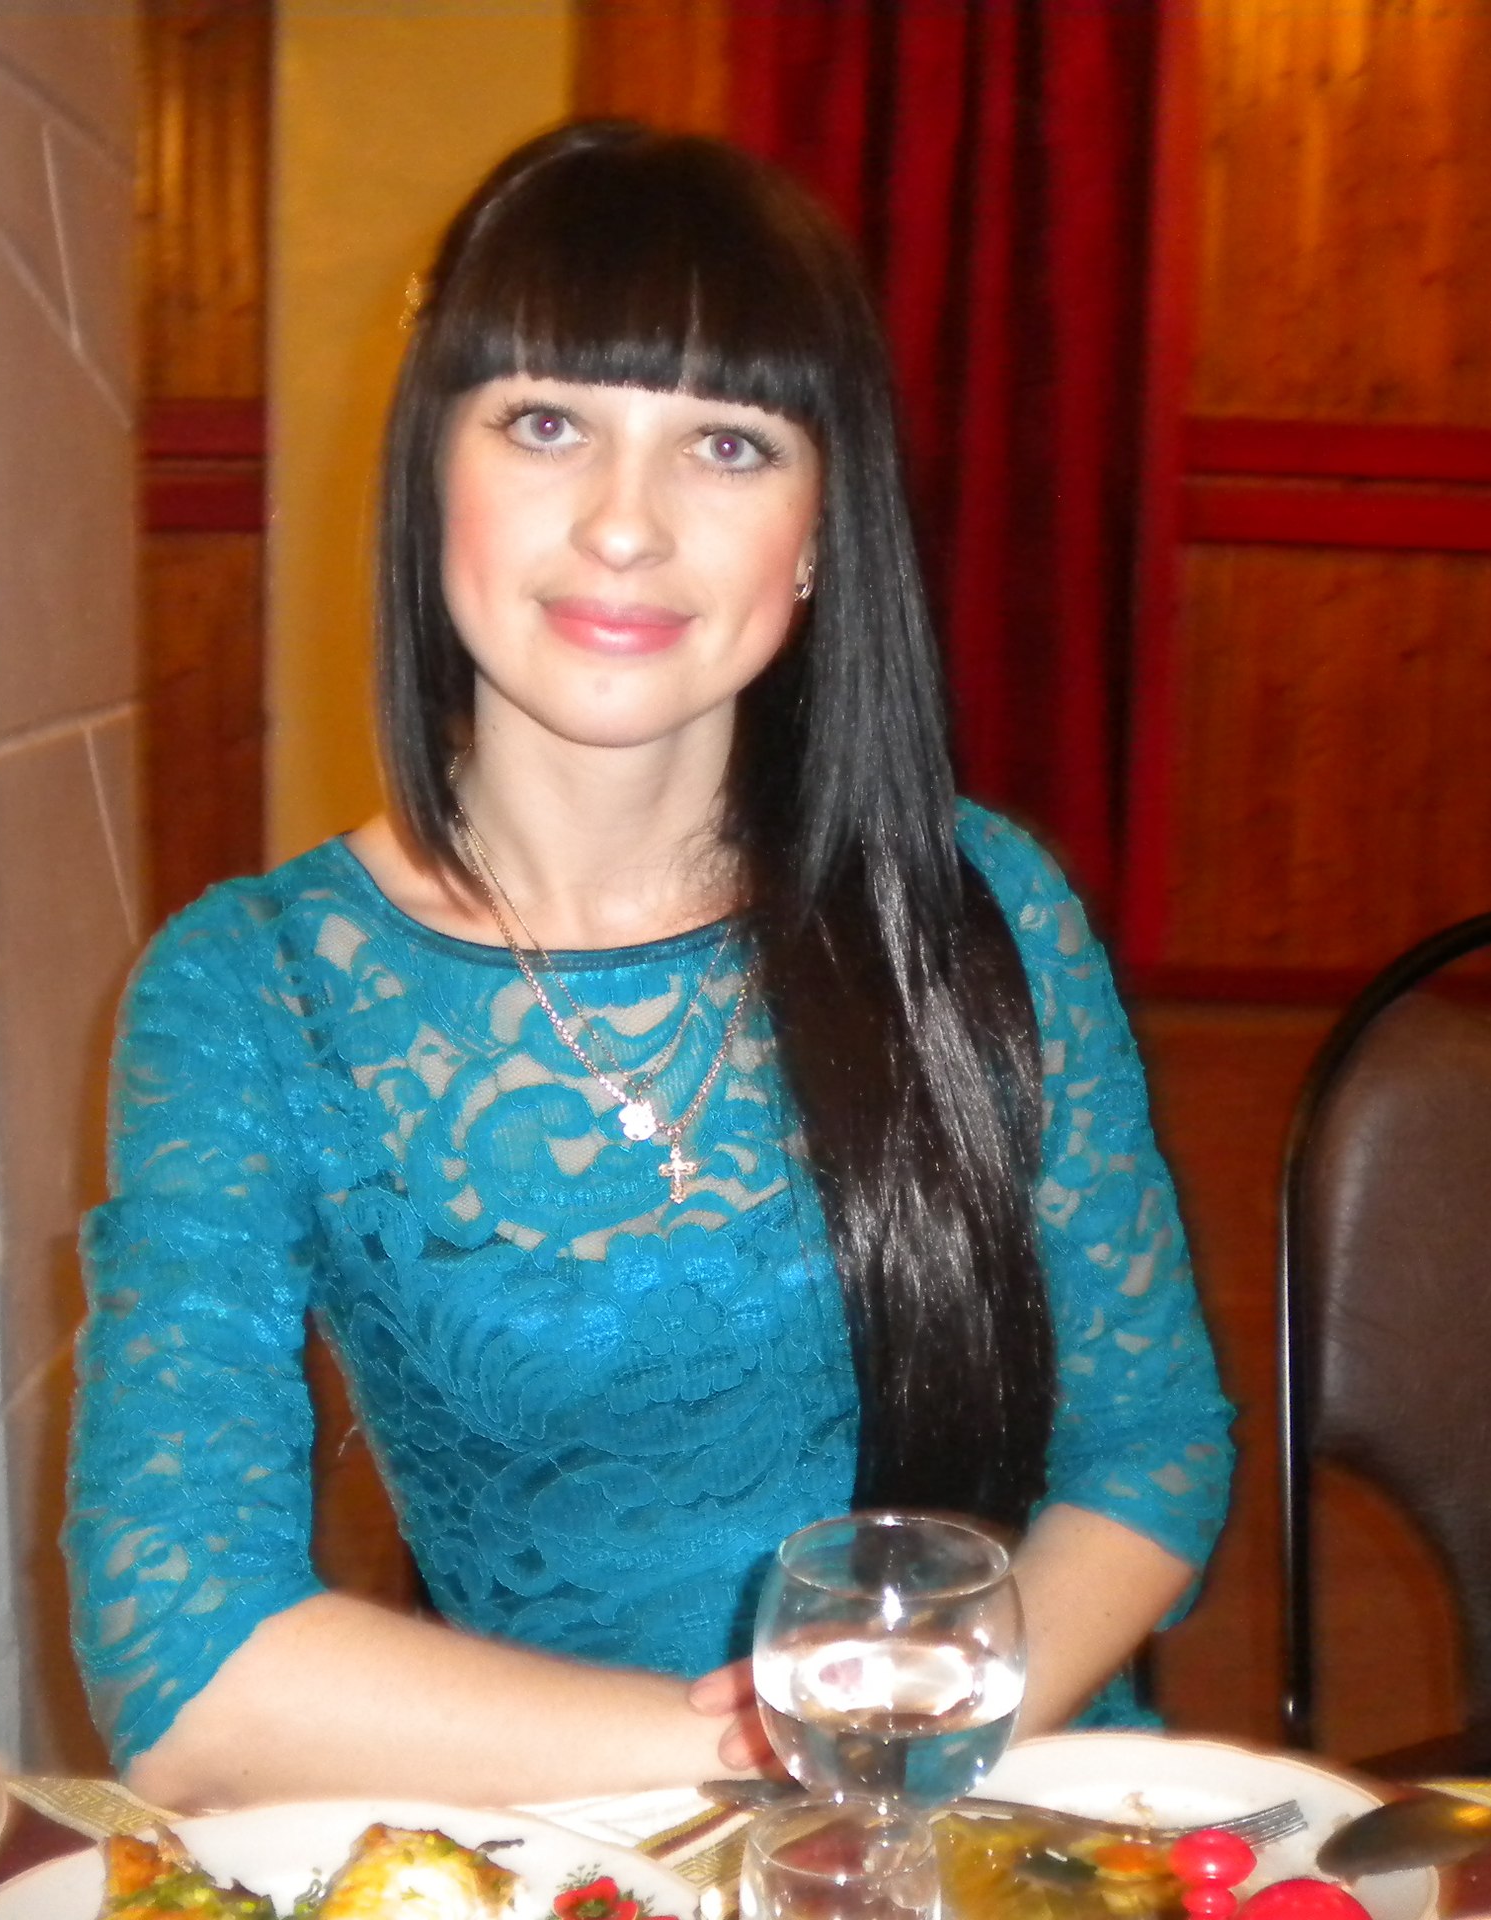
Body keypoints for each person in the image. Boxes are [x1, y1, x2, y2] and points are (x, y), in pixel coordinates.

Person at [66, 121, 1234, 1811]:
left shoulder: (979, 907)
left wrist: (914, 1758)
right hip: (567, 1845)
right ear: (434, 471)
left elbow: (1153, 1451)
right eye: (548, 424)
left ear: (819, 529)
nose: (626, 525)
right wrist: (785, 1764)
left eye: (730, 446)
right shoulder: (251, 992)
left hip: (1000, 1807)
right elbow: (180, 1666)